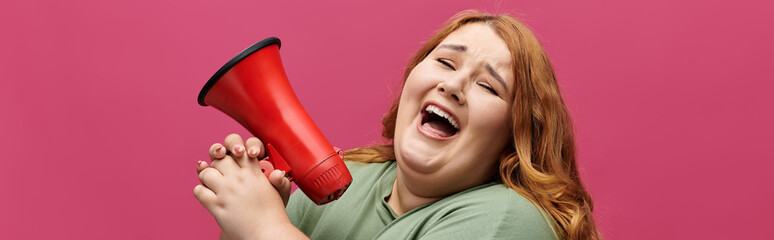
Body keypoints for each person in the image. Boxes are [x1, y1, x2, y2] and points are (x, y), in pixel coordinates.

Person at [194, 10, 601, 240]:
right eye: (445, 62)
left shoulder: (509, 222)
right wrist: (242, 218)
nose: (453, 85)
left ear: (515, 137)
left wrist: (265, 226)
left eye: (487, 86)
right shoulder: (349, 178)